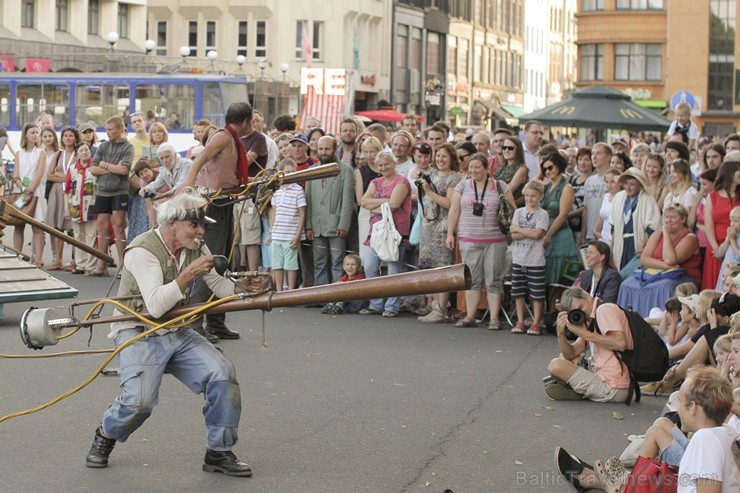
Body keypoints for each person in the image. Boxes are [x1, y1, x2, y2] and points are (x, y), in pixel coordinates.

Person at [84, 193, 257, 477]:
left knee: (222, 374)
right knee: (139, 402)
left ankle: (218, 452)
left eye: (202, 225)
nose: (201, 231)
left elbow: (220, 287)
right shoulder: (142, 250)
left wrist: (245, 289)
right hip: (138, 329)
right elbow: (155, 305)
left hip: (176, 328)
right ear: (172, 223)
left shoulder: (195, 246)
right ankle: (106, 433)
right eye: (194, 224)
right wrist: (188, 274)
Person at [554, 367, 736, 493]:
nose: (677, 408)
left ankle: (606, 483)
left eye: (680, 401)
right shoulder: (725, 432)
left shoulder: (705, 439)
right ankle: (611, 483)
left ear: (694, 407)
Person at [180, 102, 258, 342]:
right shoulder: (223, 137)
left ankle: (216, 321)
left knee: (224, 263)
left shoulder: (232, 139)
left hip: (225, 202)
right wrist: (189, 187)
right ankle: (194, 320)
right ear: (245, 121)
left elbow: (227, 174)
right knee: (210, 263)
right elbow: (200, 159)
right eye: (252, 122)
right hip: (212, 204)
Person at [446, 152, 515, 330]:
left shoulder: (500, 186)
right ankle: (470, 316)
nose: (473, 170)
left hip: (495, 239)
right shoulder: (462, 186)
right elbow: (453, 210)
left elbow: (512, 210)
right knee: (472, 279)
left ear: (487, 169)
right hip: (469, 238)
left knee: (493, 279)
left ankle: (493, 318)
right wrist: (450, 234)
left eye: (477, 167)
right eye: (471, 167)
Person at [545, 286, 633, 402]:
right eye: (576, 312)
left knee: (555, 365)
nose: (582, 312)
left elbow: (620, 343)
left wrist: (586, 334)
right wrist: (561, 334)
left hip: (615, 387)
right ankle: (583, 391)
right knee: (563, 358)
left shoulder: (604, 309)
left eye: (581, 307)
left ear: (587, 296)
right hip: (605, 377)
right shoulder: (591, 320)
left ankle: (579, 393)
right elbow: (570, 354)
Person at [618, 204, 702, 317]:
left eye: (673, 217)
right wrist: (667, 267)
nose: (668, 220)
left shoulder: (690, 238)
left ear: (683, 219)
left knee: (664, 285)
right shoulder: (658, 233)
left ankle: (659, 319)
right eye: (666, 217)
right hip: (656, 273)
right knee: (626, 284)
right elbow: (644, 259)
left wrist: (666, 234)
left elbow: (670, 259)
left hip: (682, 277)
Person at [359, 151, 411, 317]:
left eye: (386, 164)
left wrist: (375, 206)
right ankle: (375, 303)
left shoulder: (401, 181)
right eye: (380, 165)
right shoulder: (375, 181)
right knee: (370, 266)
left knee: (394, 269)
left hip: (395, 230)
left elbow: (395, 204)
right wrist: (385, 201)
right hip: (376, 230)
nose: (383, 168)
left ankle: (391, 306)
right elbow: (363, 201)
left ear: (393, 163)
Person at [415, 143, 462, 324]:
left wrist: (428, 191)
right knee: (430, 267)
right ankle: (435, 304)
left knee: (443, 267)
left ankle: (441, 308)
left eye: (444, 156)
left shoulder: (454, 177)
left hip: (443, 226)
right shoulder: (432, 174)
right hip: (428, 225)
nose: (440, 160)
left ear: (451, 158)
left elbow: (450, 203)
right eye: (438, 156)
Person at [304, 136, 356, 287]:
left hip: (337, 226)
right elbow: (308, 200)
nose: (323, 152)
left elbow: (347, 201)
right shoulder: (311, 171)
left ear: (334, 149)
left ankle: (336, 298)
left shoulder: (346, 170)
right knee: (319, 263)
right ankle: (321, 296)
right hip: (316, 225)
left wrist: (343, 225)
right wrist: (308, 225)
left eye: (327, 149)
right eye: (321, 149)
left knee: (337, 262)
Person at [90, 116, 134, 276]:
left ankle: (124, 266)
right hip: (102, 191)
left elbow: (125, 170)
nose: (107, 132)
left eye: (110, 129)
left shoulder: (128, 147)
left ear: (120, 130)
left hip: (119, 191)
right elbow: (93, 169)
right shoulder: (103, 146)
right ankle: (102, 264)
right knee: (101, 227)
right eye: (106, 129)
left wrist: (105, 165)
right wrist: (113, 167)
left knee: (119, 227)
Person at [509, 180, 549, 335]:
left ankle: (536, 321)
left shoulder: (542, 214)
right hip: (519, 258)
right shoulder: (518, 213)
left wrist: (520, 229)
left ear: (540, 197)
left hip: (535, 260)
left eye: (533, 196)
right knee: (518, 292)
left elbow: (538, 234)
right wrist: (528, 232)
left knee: (537, 294)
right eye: (527, 196)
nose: (529, 199)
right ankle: (520, 320)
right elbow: (513, 236)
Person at [609, 167, 661, 277]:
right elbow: (613, 226)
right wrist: (612, 246)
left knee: (632, 275)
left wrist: (643, 245)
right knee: (620, 272)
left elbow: (653, 228)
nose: (628, 187)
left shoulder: (647, 199)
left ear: (639, 185)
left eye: (632, 184)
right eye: (626, 183)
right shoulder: (618, 198)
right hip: (620, 243)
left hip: (637, 244)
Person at [540, 152, 580, 290]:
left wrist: (548, 236)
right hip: (545, 235)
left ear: (559, 166)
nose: (547, 171)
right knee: (545, 279)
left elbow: (563, 215)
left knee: (558, 283)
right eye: (544, 169)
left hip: (559, 238)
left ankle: (555, 311)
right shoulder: (546, 186)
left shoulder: (566, 187)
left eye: (550, 167)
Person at [266, 159, 305, 292]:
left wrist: (297, 235)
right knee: (277, 264)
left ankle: (290, 291)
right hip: (277, 234)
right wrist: (271, 233)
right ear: (280, 173)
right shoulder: (277, 192)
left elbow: (302, 214)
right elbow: (275, 215)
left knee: (291, 265)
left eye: (293, 172)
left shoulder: (298, 190)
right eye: (287, 172)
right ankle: (279, 290)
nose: (290, 174)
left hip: (290, 234)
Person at [13, 123, 47, 267]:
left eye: (37, 132)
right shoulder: (18, 153)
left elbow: (39, 174)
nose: (35, 135)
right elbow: (15, 175)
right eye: (32, 132)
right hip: (20, 192)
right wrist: (22, 188)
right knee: (18, 225)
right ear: (25, 134)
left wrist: (30, 189)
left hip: (36, 191)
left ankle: (38, 259)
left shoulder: (41, 152)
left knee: (37, 226)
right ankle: (17, 255)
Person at [704, 161, 740, 290]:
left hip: (736, 244)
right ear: (729, 173)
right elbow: (708, 225)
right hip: (716, 247)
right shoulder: (712, 196)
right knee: (715, 285)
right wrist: (716, 248)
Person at [46, 126, 78, 271]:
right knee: (58, 228)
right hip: (57, 192)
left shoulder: (78, 154)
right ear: (62, 138)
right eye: (65, 135)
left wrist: (62, 176)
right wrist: (68, 178)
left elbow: (79, 175)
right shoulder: (58, 155)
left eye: (71, 135)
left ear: (75, 138)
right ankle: (57, 260)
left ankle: (75, 260)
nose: (68, 138)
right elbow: (50, 175)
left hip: (74, 192)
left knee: (73, 228)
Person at [64, 142, 98, 275]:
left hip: (91, 207)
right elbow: (67, 190)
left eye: (87, 150)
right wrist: (66, 208)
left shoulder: (94, 167)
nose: (84, 152)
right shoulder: (72, 168)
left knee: (91, 236)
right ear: (77, 153)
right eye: (82, 150)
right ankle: (80, 263)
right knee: (78, 236)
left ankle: (91, 265)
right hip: (76, 207)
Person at [355, 137, 384, 259]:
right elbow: (360, 200)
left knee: (384, 251)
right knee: (367, 254)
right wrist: (383, 201)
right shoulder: (361, 171)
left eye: (371, 151)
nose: (368, 155)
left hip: (385, 212)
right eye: (365, 152)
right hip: (366, 213)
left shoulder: (385, 169)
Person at [583, 142, 612, 241]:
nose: (594, 157)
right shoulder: (589, 180)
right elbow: (586, 209)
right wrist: (583, 235)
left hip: (606, 235)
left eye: (598, 153)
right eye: (592, 153)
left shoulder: (614, 180)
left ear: (608, 157)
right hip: (589, 235)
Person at [493, 135, 528, 207]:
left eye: (510, 148)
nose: (506, 150)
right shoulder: (500, 168)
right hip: (498, 207)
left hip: (512, 211)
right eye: (504, 148)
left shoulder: (522, 169)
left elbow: (508, 189)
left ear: (518, 150)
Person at [568, 147, 593, 244]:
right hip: (570, 226)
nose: (583, 163)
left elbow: (587, 206)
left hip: (583, 226)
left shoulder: (593, 181)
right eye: (580, 159)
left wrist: (569, 215)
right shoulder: (572, 179)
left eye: (587, 159)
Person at [593, 168, 622, 243]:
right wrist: (595, 231)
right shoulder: (605, 196)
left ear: (620, 182)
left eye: (612, 182)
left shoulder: (623, 197)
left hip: (616, 240)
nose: (609, 185)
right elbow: (602, 216)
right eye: (607, 182)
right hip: (603, 238)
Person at [716, 206, 740, 291]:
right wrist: (727, 239)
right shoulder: (731, 235)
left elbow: (738, 257)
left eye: (736, 221)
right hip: (725, 271)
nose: (732, 224)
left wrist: (733, 240)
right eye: (731, 220)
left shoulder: (735, 238)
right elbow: (720, 253)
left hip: (735, 274)